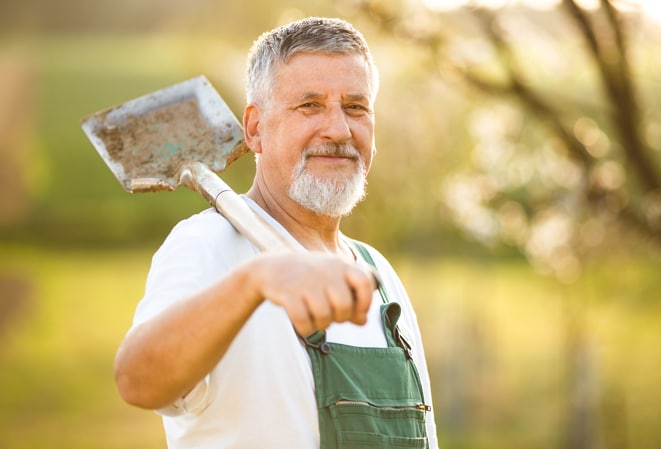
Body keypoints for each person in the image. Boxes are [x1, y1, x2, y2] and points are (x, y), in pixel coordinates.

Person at [113, 16, 439, 449]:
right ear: (254, 129)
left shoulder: (379, 279)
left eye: (355, 107)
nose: (339, 130)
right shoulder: (209, 245)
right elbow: (137, 380)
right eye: (310, 105)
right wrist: (256, 280)